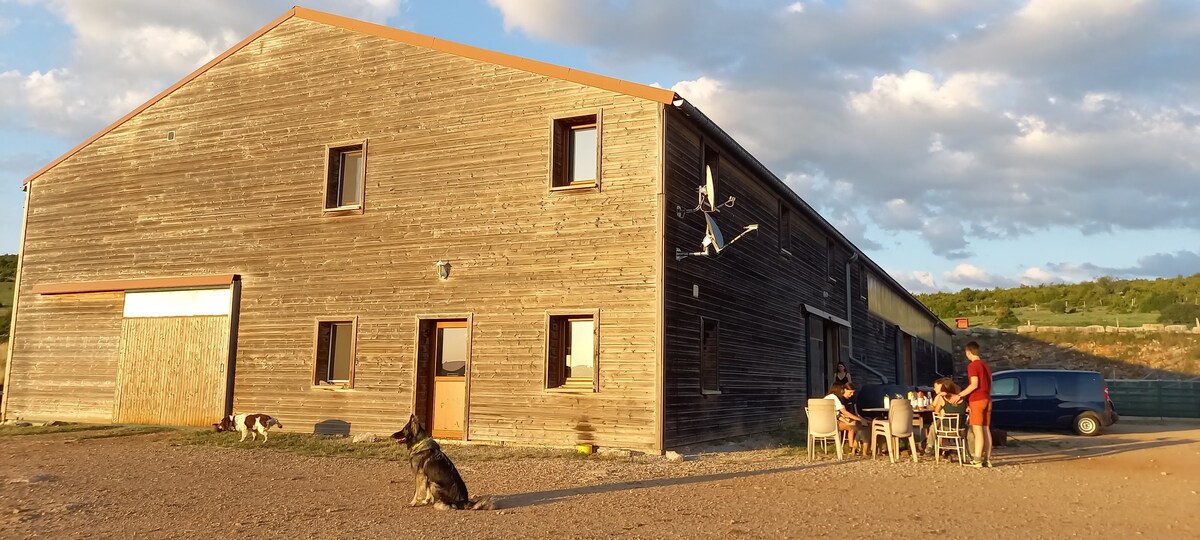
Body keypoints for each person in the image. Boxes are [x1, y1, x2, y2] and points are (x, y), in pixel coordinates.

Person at [949, 341, 993, 467]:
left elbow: (974, 384)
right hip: (987, 398)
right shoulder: (986, 366)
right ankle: (987, 459)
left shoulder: (973, 366)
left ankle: (977, 459)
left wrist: (960, 395)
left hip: (977, 400)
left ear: (968, 352)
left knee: (977, 430)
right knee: (986, 429)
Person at [927, 377, 967, 456]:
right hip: (961, 429)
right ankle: (948, 450)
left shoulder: (943, 398)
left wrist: (938, 396)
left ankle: (930, 446)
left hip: (947, 429)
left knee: (935, 424)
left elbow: (935, 411)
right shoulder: (962, 398)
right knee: (941, 422)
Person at [825, 382, 868, 454]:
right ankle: (852, 447)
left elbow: (836, 414)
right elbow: (844, 412)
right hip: (832, 425)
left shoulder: (825, 399)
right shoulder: (834, 398)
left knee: (851, 424)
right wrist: (859, 419)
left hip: (817, 426)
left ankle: (854, 447)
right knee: (851, 427)